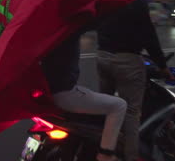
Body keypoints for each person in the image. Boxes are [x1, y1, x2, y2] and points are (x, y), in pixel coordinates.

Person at [96, 0, 172, 161]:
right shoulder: (136, 2)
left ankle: (101, 147)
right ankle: (131, 156)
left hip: (103, 58)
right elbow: (150, 38)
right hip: (127, 62)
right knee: (131, 112)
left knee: (107, 106)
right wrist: (163, 66)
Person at [42, 30, 127, 161]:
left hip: (46, 95)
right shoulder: (68, 33)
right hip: (65, 94)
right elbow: (90, 23)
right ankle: (105, 154)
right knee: (119, 105)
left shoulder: (47, 36)